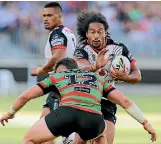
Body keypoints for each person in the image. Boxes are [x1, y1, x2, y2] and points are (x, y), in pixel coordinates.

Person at [0, 56, 157, 144]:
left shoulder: (58, 76)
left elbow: (26, 95)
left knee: (28, 140)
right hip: (93, 118)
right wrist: (146, 124)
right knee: (101, 135)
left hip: (66, 113)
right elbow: (125, 102)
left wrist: (10, 113)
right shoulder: (98, 78)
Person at [72, 11, 142, 144]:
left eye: (100, 31)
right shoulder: (82, 50)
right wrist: (94, 67)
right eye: (92, 32)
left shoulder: (119, 49)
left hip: (108, 100)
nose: (96, 36)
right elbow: (79, 68)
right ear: (87, 34)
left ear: (106, 32)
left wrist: (125, 77)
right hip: (87, 100)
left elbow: (137, 75)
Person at [30, 2, 76, 144]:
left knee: (45, 132)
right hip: (65, 86)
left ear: (59, 16)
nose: (45, 18)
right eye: (43, 15)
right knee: (43, 129)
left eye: (49, 15)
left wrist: (40, 70)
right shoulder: (67, 32)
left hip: (61, 87)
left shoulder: (57, 33)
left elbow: (58, 56)